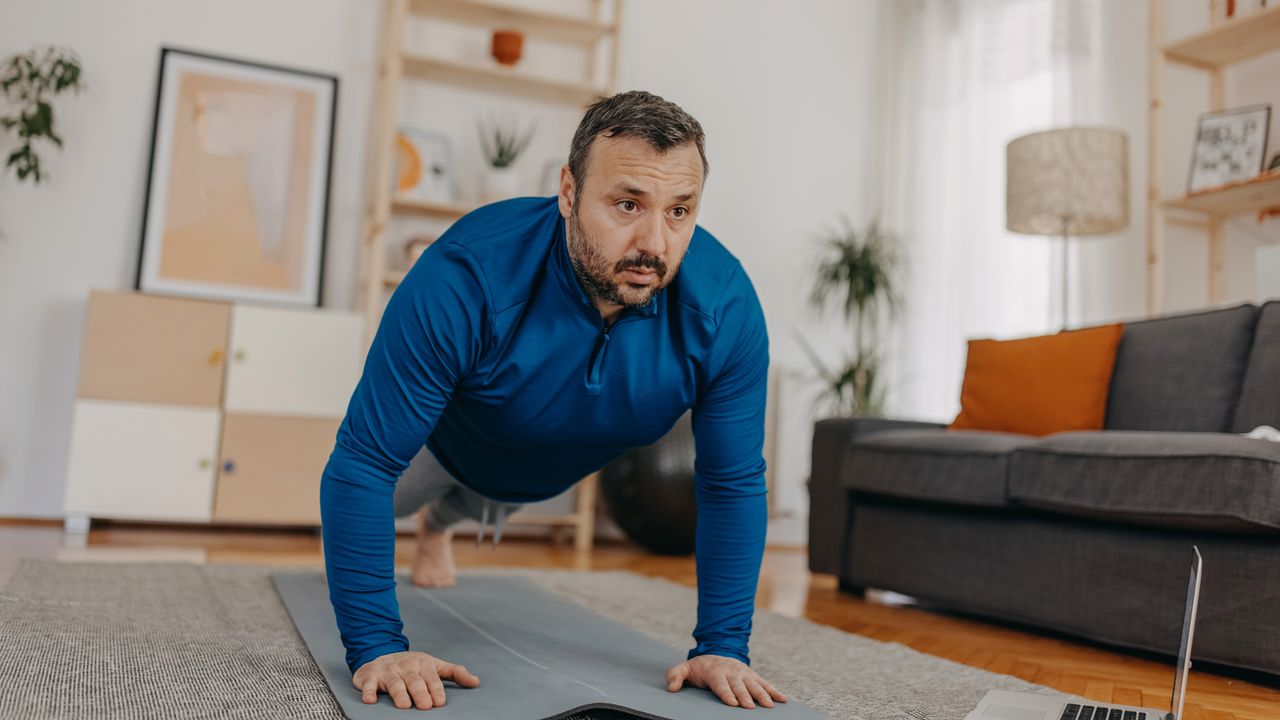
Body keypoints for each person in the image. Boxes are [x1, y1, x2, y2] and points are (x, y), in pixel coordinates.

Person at [320, 90, 786, 712]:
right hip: (448, 445)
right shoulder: (467, 274)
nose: (655, 241)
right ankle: (432, 522)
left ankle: (442, 529)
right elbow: (363, 465)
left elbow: (731, 483)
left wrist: (724, 645)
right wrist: (377, 644)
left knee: (495, 498)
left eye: (680, 211)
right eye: (627, 204)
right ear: (568, 192)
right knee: (381, 499)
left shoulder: (725, 307)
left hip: (555, 467)